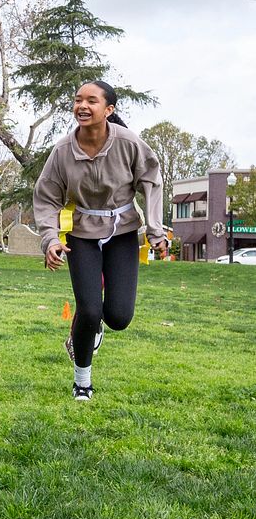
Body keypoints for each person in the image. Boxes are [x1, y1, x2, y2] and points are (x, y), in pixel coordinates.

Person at [33, 80, 167, 401]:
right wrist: (50, 239)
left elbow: (151, 179)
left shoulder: (129, 144)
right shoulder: (63, 151)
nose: (82, 105)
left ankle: (95, 323)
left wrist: (155, 229)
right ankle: (82, 381)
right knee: (89, 309)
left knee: (119, 317)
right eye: (78, 99)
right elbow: (47, 196)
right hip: (81, 234)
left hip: (122, 233)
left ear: (109, 109)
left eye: (91, 101)